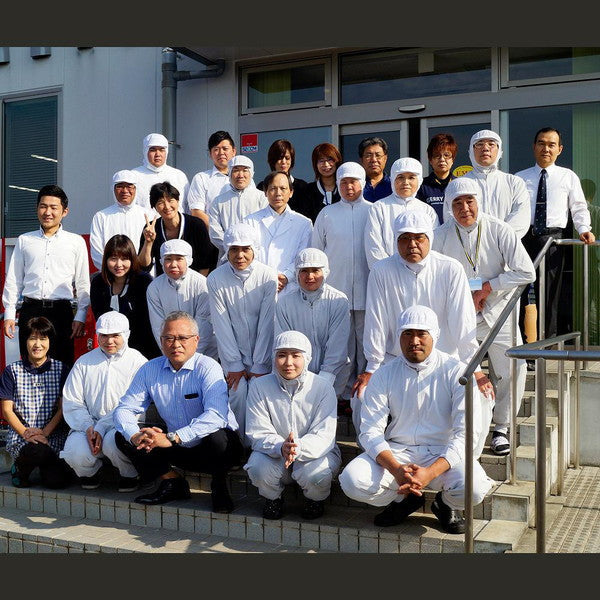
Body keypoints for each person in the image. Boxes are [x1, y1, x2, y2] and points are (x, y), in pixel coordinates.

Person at [339, 306, 493, 533]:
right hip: (398, 451)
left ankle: (445, 505)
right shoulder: (384, 374)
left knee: (475, 488)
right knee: (352, 480)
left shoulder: (457, 372)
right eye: (407, 334)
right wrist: (396, 470)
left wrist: (430, 473)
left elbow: (466, 434)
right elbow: (370, 431)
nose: (414, 341)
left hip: (442, 452)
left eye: (422, 334)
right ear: (399, 337)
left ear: (435, 336)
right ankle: (404, 500)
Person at [356, 210, 494, 456]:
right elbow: (376, 320)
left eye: (419, 238)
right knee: (361, 395)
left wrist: (474, 366)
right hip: (396, 361)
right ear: (396, 241)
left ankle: (462, 462)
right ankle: (381, 460)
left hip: (446, 362)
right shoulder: (381, 271)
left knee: (481, 397)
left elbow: (463, 322)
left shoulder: (450, 269)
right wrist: (372, 366)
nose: (412, 244)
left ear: (429, 238)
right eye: (405, 238)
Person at [434, 177, 535, 455]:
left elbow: (527, 272)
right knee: (458, 371)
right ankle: (460, 429)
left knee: (512, 369)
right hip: (459, 314)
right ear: (449, 206)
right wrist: (465, 293)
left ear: (479, 202)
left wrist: (487, 287)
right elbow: (434, 275)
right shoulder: (440, 235)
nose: (464, 208)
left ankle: (501, 427)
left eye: (469, 201)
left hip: (500, 312)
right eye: (457, 203)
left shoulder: (500, 229)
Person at [113, 311, 244, 512]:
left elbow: (216, 415)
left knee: (217, 437)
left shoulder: (208, 367)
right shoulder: (150, 369)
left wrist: (173, 437)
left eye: (183, 338)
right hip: (179, 448)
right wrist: (136, 435)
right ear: (161, 341)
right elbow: (124, 409)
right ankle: (172, 482)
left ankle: (219, 486)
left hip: (216, 450)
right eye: (169, 338)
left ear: (196, 340)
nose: (176, 344)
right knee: (123, 435)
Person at [245, 330, 342, 520]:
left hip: (314, 453)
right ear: (274, 358)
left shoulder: (322, 387)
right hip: (275, 453)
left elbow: (324, 434)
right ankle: (273, 498)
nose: (288, 362)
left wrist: (297, 447)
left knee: (316, 475)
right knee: (257, 467)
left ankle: (315, 499)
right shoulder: (259, 386)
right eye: (282, 355)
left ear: (307, 358)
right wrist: (280, 446)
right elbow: (257, 430)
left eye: (296, 355)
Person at [515, 127, 596, 339]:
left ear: (560, 149)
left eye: (551, 145)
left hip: (552, 240)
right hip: (522, 238)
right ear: (534, 147)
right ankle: (522, 343)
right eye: (541, 143)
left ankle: (547, 343)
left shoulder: (567, 176)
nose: (546, 149)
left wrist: (584, 229)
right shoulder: (519, 178)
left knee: (549, 294)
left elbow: (578, 207)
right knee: (519, 292)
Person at [2, 184, 90, 367]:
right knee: (30, 366)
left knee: (62, 366)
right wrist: (9, 312)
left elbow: (83, 283)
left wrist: (80, 315)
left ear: (64, 211)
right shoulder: (25, 240)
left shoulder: (75, 242)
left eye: (53, 207)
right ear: (37, 209)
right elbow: (14, 280)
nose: (47, 212)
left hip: (61, 313)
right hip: (30, 310)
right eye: (43, 206)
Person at [206, 223, 278, 445]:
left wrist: (260, 364)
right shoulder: (216, 279)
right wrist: (234, 364)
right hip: (232, 354)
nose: (240, 255)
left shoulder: (267, 276)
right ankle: (238, 447)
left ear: (254, 249)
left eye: (245, 249)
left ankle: (259, 445)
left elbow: (267, 322)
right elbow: (221, 324)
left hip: (262, 354)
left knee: (259, 392)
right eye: (234, 249)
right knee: (237, 392)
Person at [60, 312, 147, 491]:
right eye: (104, 335)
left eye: (115, 335)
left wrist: (103, 426)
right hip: (89, 424)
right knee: (75, 451)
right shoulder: (84, 362)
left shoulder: (138, 362)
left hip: (123, 424)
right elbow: (72, 400)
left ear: (126, 334)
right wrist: (88, 427)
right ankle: (90, 473)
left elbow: (133, 404)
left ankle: (129, 474)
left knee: (111, 443)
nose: (109, 341)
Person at [312, 161, 370, 421]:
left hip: (368, 289)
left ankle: (364, 392)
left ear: (363, 183)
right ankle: (342, 394)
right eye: (344, 182)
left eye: (353, 181)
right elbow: (316, 251)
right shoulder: (327, 214)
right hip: (336, 292)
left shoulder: (374, 211)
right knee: (341, 346)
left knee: (366, 344)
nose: (349, 187)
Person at [0, 317, 71, 489]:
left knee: (56, 483)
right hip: (22, 435)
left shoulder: (61, 369)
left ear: (50, 341)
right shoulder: (12, 371)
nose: (37, 344)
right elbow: (7, 410)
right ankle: (20, 469)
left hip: (52, 435)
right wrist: (27, 433)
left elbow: (63, 408)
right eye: (32, 338)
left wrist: (44, 433)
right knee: (35, 450)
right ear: (25, 341)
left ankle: (46, 468)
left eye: (43, 339)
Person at [275, 248, 350, 394]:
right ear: (297, 273)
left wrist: (322, 383)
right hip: (295, 375)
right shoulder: (284, 303)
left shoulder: (338, 301)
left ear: (325, 272)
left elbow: (337, 347)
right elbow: (285, 345)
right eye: (304, 270)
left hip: (333, 376)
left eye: (315, 270)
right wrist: (299, 381)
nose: (310, 276)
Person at [90, 234, 161, 359]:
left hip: (144, 349)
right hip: (110, 349)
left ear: (132, 259)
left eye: (124, 259)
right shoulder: (98, 283)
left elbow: (148, 321)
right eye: (113, 259)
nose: (119, 264)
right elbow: (100, 318)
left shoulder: (144, 281)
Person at [244, 171, 312, 297]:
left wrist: (286, 276)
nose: (278, 193)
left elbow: (303, 256)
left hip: (291, 287)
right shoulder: (250, 221)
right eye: (273, 188)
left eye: (283, 188)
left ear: (291, 192)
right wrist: (267, 277)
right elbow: (248, 254)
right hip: (258, 285)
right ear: (265, 192)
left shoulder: (304, 223)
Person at [451, 129, 529, 239]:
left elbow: (521, 217)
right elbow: (451, 216)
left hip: (506, 244)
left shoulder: (514, 183)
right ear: (471, 151)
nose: (485, 148)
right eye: (479, 144)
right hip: (470, 243)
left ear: (500, 151)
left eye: (491, 144)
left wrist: (500, 240)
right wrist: (475, 239)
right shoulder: (459, 185)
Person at [146, 239, 217, 360]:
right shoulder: (155, 288)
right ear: (161, 261)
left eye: (179, 259)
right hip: (172, 354)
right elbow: (158, 327)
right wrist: (170, 354)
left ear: (188, 260)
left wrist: (191, 357)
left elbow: (204, 325)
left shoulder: (201, 284)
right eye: (168, 259)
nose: (173, 264)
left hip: (204, 352)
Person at [364, 157, 439, 269]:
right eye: (400, 177)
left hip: (422, 273)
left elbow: (434, 245)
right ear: (393, 179)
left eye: (411, 177)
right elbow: (374, 246)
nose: (406, 182)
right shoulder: (379, 208)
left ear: (419, 180)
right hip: (388, 274)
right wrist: (388, 272)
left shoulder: (427, 211)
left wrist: (421, 270)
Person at [138, 181, 216, 277]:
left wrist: (198, 284)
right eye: (161, 203)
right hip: (164, 282)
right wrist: (148, 242)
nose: (167, 207)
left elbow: (206, 263)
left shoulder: (196, 225)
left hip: (194, 282)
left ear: (178, 201)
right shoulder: (151, 228)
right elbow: (144, 266)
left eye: (170, 200)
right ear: (155, 207)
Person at [208, 155, 267, 263]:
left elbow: (266, 230)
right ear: (229, 173)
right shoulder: (218, 201)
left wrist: (251, 250)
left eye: (245, 170)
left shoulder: (262, 198)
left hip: (257, 259)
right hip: (227, 258)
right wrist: (232, 249)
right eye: (236, 170)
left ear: (251, 173)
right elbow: (215, 232)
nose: (240, 175)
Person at [89, 170, 150, 270]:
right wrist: (114, 269)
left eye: (129, 186)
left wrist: (137, 269)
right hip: (111, 274)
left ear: (136, 189)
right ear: (113, 189)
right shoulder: (101, 216)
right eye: (120, 186)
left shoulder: (148, 215)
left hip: (142, 274)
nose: (125, 190)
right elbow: (96, 251)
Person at [187, 130, 237, 228]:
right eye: (216, 149)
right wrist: (218, 232)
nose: (221, 153)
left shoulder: (244, 178)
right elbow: (197, 212)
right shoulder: (201, 178)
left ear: (234, 151)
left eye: (225, 149)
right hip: (211, 235)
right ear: (210, 154)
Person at [130, 132, 190, 213]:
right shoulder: (133, 176)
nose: (157, 154)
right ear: (145, 151)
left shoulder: (178, 175)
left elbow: (187, 207)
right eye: (153, 150)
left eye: (162, 150)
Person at [257, 139, 310, 214]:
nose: (284, 162)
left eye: (287, 158)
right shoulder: (262, 187)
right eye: (280, 158)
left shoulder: (302, 187)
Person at [416, 133, 458, 224]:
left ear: (453, 159)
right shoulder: (421, 186)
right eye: (437, 155)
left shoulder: (459, 185)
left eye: (446, 155)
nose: (442, 159)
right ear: (430, 160)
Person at [302, 143, 343, 222]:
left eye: (330, 160)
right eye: (321, 160)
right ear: (315, 164)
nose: (326, 164)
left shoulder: (344, 189)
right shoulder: (308, 191)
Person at [358, 137, 392, 202]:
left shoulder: (394, 186)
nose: (373, 160)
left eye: (378, 155)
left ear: (385, 159)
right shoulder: (355, 186)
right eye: (368, 156)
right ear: (361, 160)